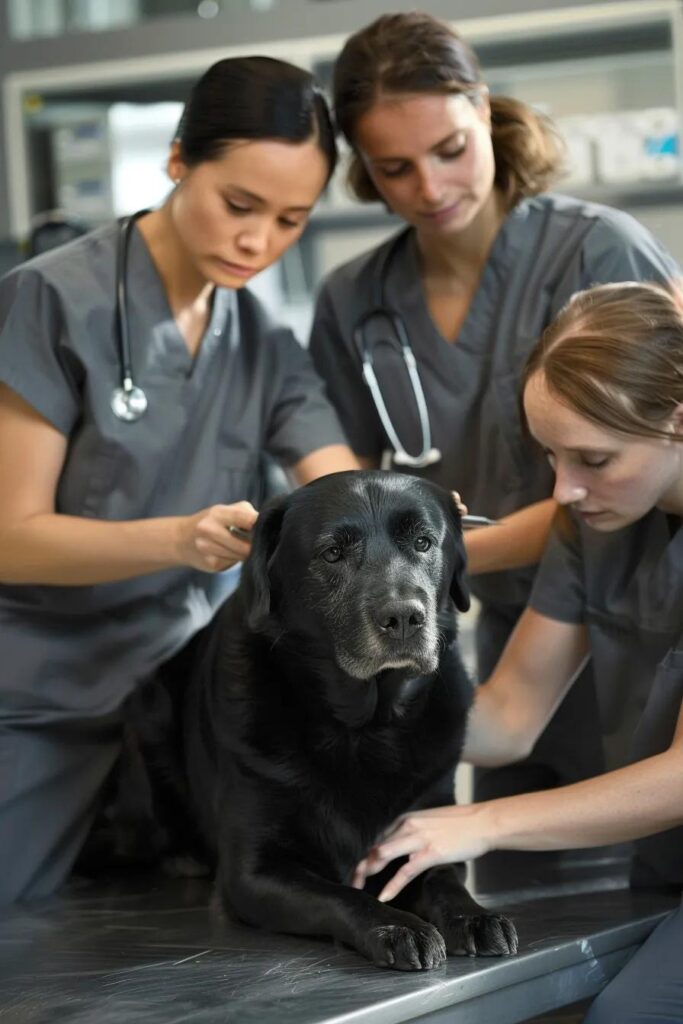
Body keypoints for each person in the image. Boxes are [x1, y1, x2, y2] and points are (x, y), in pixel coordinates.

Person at [0, 55, 358, 905]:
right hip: (38, 699)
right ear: (175, 160)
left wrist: (402, 522)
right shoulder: (49, 301)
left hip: (185, 701)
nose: (258, 242)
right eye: (239, 205)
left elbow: (338, 485)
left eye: (290, 221)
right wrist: (177, 539)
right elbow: (11, 535)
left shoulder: (264, 340)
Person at [309, 11, 681, 813]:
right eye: (395, 168)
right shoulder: (354, 300)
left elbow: (637, 467)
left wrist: (423, 564)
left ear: (485, 110)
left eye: (449, 150)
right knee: (523, 890)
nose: (431, 188)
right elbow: (346, 494)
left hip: (628, 621)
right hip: (502, 644)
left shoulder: (594, 253)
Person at [354, 280, 683, 1023]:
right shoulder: (593, 524)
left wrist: (480, 822)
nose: (563, 490)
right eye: (550, 457)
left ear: (677, 422)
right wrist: (345, 725)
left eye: (593, 459)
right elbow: (505, 718)